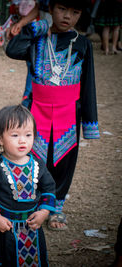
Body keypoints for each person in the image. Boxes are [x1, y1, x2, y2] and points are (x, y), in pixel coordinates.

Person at [6, 0, 100, 230]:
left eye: (74, 11)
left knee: (64, 159)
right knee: (34, 157)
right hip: (36, 108)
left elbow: (88, 84)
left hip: (69, 112)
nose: (67, 16)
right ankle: (34, 202)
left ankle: (55, 208)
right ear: (51, 9)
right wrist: (31, 28)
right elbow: (13, 50)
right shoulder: (38, 39)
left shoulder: (83, 44)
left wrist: (90, 122)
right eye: (61, 9)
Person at [0, 105, 56, 266]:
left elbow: (49, 189)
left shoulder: (38, 165)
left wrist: (44, 212)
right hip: (3, 228)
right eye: (15, 135)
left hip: (31, 228)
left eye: (28, 134)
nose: (22, 140)